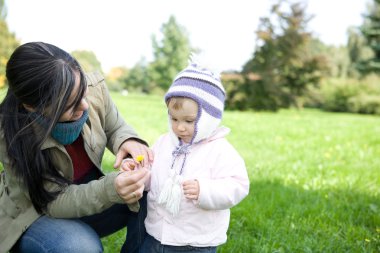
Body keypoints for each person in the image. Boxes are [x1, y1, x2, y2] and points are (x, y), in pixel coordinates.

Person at [0, 42, 153, 253]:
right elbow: (53, 202)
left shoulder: (89, 88)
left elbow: (115, 125)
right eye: (69, 104)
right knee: (80, 247)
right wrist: (112, 188)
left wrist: (128, 140)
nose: (85, 105)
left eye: (82, 93)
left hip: (89, 199)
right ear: (32, 106)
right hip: (37, 215)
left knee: (152, 187)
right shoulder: (11, 136)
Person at [122, 61, 250, 253]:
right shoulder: (165, 142)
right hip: (157, 234)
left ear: (209, 119)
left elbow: (238, 185)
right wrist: (139, 173)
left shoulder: (220, 150)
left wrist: (205, 190)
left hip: (195, 241)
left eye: (189, 121)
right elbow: (153, 176)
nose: (179, 127)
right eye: (174, 118)